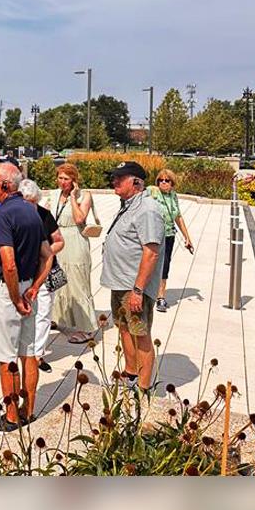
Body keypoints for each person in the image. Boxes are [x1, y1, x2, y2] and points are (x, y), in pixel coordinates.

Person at [0, 164, 53, 431]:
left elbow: (8, 263)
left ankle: (11, 416)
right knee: (29, 352)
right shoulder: (32, 211)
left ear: (5, 186)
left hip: (7, 289)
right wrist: (34, 287)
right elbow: (48, 255)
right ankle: (29, 410)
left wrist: (15, 298)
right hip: (26, 287)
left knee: (6, 356)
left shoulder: (2, 216)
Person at [100, 161, 165, 394]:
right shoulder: (129, 205)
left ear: (136, 183)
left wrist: (138, 290)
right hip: (120, 282)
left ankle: (144, 387)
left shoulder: (147, 209)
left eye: (120, 178)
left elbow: (151, 252)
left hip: (133, 287)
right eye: (114, 177)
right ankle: (130, 373)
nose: (114, 181)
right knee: (124, 328)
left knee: (141, 333)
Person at [47, 163, 99, 344]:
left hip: (75, 239)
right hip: (56, 239)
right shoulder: (53, 195)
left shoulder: (85, 196)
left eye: (66, 179)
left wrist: (72, 198)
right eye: (60, 178)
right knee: (57, 280)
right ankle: (57, 317)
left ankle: (87, 328)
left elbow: (79, 219)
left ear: (74, 180)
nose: (62, 182)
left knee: (78, 283)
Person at [20, 179, 63, 373]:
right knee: (23, 313)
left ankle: (38, 354)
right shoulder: (15, 216)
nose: (29, 206)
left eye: (32, 202)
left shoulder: (44, 215)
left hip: (45, 270)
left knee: (44, 313)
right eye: (25, 201)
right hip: (23, 273)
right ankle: (22, 350)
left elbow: (59, 241)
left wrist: (44, 253)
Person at [146, 168, 195, 312]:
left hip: (169, 235)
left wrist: (187, 237)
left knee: (164, 265)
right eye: (160, 180)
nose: (163, 183)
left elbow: (178, 216)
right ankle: (145, 292)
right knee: (150, 263)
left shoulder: (173, 195)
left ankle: (160, 297)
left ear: (172, 183)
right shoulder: (152, 192)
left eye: (167, 180)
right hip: (154, 235)